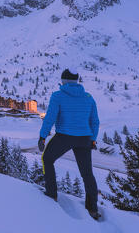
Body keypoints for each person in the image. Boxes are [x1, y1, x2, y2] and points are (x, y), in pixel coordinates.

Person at [38, 68, 100, 220]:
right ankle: (92, 209)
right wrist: (92, 139)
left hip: (64, 136)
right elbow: (94, 121)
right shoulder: (88, 97)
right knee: (87, 173)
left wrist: (42, 136)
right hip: (84, 138)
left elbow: (50, 118)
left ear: (63, 81)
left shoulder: (58, 96)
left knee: (47, 159)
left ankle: (52, 195)